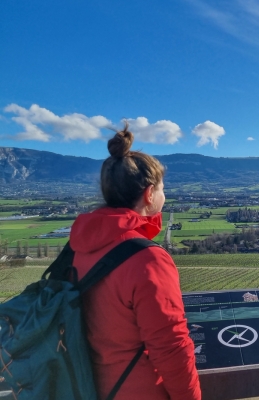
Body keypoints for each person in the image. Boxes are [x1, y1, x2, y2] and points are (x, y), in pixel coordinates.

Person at [69, 123, 201, 400]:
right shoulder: (147, 260)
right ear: (149, 194)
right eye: (164, 188)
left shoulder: (79, 247)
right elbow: (171, 347)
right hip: (138, 390)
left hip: (82, 384)